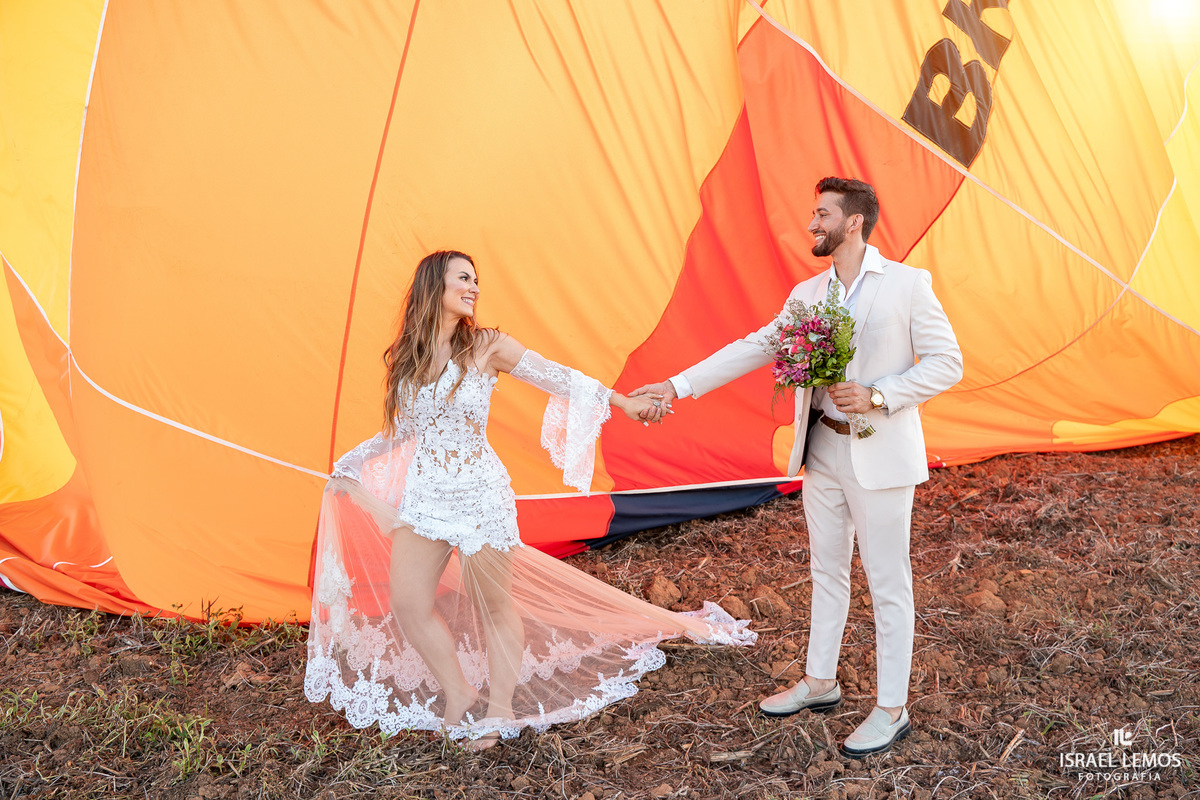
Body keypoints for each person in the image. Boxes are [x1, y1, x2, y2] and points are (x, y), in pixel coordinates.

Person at [304, 250, 755, 750]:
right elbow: (404, 430)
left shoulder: (488, 346)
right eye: (463, 279)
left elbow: (557, 376)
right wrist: (350, 465)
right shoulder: (407, 355)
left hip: (479, 494)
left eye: (476, 280)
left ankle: (498, 710)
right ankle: (459, 691)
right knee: (409, 603)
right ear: (434, 286)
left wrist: (624, 402)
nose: (474, 287)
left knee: (493, 605)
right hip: (426, 498)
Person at [633, 177, 962, 757]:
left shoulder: (908, 285)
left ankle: (892, 709)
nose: (812, 224)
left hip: (881, 456)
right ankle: (819, 682)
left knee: (888, 584)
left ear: (853, 221)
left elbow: (947, 363)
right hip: (822, 453)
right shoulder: (806, 294)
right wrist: (676, 386)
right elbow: (754, 346)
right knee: (826, 573)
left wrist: (882, 394)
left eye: (822, 214)